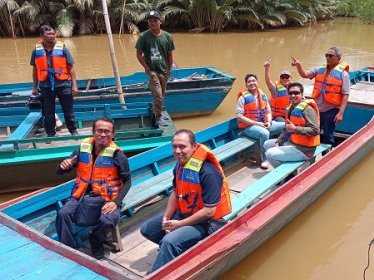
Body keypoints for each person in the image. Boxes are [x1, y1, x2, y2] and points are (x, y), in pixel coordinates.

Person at [140, 129, 232, 272]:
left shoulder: (208, 173)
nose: (177, 151)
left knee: (169, 242)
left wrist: (179, 225)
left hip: (208, 223)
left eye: (182, 147)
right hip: (184, 213)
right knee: (148, 229)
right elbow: (175, 192)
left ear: (194, 147)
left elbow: (209, 211)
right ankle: (177, 253)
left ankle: (159, 272)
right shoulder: (180, 166)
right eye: (174, 147)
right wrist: (166, 217)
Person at [55, 117, 131, 259]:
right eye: (99, 131)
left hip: (107, 199)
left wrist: (115, 202)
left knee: (106, 221)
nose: (103, 135)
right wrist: (63, 165)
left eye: (107, 132)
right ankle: (68, 248)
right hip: (81, 194)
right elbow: (59, 171)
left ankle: (95, 241)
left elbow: (127, 182)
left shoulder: (118, 156)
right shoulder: (82, 150)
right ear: (93, 132)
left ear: (113, 135)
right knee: (63, 214)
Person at [291, 46, 350, 146]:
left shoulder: (343, 74)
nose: (328, 58)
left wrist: (340, 113)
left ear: (338, 58)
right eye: (326, 55)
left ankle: (327, 156)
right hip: (317, 109)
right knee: (313, 133)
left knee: (328, 136)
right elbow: (305, 75)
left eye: (330, 56)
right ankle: (312, 155)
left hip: (331, 110)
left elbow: (345, 94)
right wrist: (298, 66)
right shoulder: (319, 69)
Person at [31, 25, 78, 137]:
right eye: (49, 34)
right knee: (48, 112)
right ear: (42, 36)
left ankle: (73, 131)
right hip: (45, 85)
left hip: (63, 84)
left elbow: (71, 68)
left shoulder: (62, 48)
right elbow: (35, 70)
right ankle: (51, 133)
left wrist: (74, 86)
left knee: (68, 110)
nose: (52, 36)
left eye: (53, 34)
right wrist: (34, 87)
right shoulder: (36, 51)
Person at [263, 82, 320, 167]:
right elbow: (286, 129)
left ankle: (287, 176)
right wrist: (279, 141)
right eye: (290, 93)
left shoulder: (308, 109)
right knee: (267, 144)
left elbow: (315, 130)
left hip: (304, 150)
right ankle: (286, 167)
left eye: (296, 93)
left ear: (301, 94)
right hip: (292, 142)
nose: (293, 95)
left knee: (270, 154)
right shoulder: (291, 108)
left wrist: (295, 129)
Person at [236, 73, 285, 169]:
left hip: (264, 124)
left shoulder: (262, 95)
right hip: (249, 127)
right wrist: (257, 123)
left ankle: (282, 150)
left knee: (285, 125)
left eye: (253, 81)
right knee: (264, 133)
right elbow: (239, 116)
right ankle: (265, 158)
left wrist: (269, 121)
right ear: (246, 85)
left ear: (257, 83)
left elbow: (268, 111)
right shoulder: (242, 98)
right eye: (249, 82)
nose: (252, 83)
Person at [136, 11, 175, 128]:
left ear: (160, 22)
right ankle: (158, 118)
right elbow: (138, 54)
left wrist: (169, 70)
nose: (153, 23)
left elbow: (170, 55)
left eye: (155, 20)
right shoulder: (143, 36)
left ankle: (160, 113)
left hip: (164, 70)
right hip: (152, 70)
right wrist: (147, 68)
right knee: (157, 95)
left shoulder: (167, 36)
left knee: (161, 95)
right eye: (150, 21)